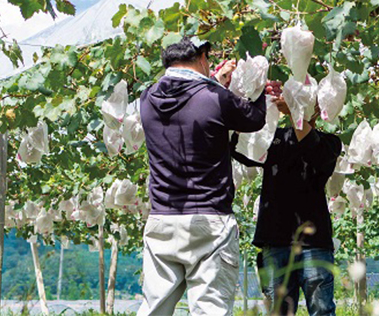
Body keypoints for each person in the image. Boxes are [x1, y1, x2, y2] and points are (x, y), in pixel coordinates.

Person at [138, 36, 279, 315]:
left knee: (154, 308)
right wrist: (260, 90)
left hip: (161, 220)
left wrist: (214, 80)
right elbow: (253, 119)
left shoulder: (147, 99)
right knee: (209, 309)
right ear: (202, 57)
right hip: (209, 221)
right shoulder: (214, 97)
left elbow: (191, 102)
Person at [233, 96, 342, 316]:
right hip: (275, 241)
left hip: (314, 244)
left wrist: (294, 113)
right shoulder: (275, 139)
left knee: (321, 309)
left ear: (318, 110)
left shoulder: (330, 143)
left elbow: (313, 150)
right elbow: (243, 150)